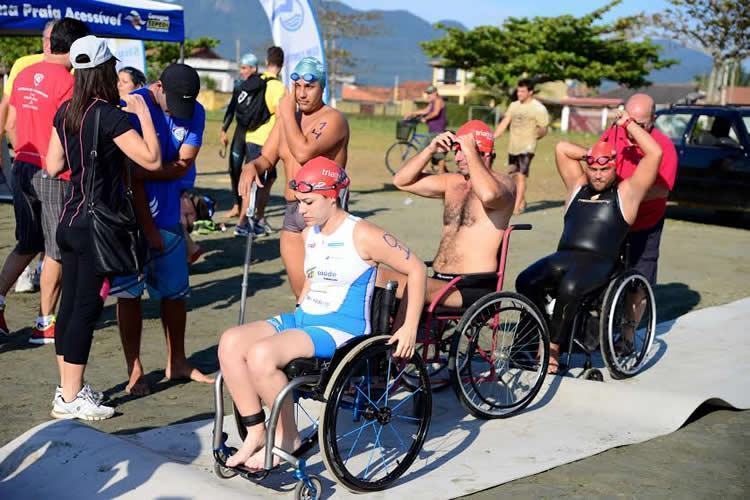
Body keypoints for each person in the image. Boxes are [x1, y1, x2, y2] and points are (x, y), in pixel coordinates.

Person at [219, 157, 427, 470]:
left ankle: (288, 437)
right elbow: (314, 278)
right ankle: (256, 432)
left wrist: (409, 327)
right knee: (231, 342)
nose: (300, 210)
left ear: (331, 197)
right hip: (307, 319)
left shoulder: (363, 234)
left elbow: (417, 268)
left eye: (308, 202)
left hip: (341, 330)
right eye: (299, 202)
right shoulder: (310, 230)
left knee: (262, 355)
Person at [45, 35, 161, 420]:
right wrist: (143, 114)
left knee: (70, 308)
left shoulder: (66, 113)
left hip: (70, 218)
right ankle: (72, 395)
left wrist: (85, 167)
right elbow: (152, 159)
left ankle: (67, 390)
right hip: (97, 225)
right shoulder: (110, 115)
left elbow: (51, 165)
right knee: (85, 308)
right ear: (106, 70)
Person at [515, 110, 663, 373]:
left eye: (604, 169)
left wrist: (627, 123)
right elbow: (561, 148)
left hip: (601, 262)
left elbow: (655, 154)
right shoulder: (577, 186)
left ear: (615, 166)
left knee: (570, 286)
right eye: (593, 168)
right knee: (525, 280)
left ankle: (552, 349)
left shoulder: (627, 192)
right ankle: (530, 339)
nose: (597, 174)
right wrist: (593, 152)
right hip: (565, 256)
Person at [110, 63, 212, 395]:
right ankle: (134, 368)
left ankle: (178, 361)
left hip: (169, 215)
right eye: (174, 104)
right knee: (129, 294)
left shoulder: (194, 110)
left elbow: (184, 161)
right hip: (129, 218)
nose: (182, 114)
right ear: (158, 87)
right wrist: (148, 226)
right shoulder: (133, 106)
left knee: (176, 293)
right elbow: (128, 174)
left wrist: (148, 172)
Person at [0, 18, 90, 342]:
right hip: (53, 173)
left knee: (28, 241)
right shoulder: (69, 82)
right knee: (55, 249)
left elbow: (9, 120)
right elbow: (72, 130)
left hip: (21, 165)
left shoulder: (23, 74)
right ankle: (44, 322)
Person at [239, 56, 350, 301]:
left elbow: (303, 151)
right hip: (293, 212)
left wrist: (286, 113)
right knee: (301, 294)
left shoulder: (333, 120)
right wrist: (251, 166)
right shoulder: (286, 121)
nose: (301, 93)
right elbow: (266, 158)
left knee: (323, 293)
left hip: (323, 214)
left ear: (322, 88)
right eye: (297, 86)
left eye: (309, 87)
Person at [380, 120, 516, 308]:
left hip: (472, 286)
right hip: (441, 280)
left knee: (387, 279)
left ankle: (404, 336)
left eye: (462, 151)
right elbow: (401, 181)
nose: (458, 157)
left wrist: (470, 150)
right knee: (377, 278)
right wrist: (429, 149)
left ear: (483, 153)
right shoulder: (453, 182)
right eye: (456, 151)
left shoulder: (504, 184)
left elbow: (488, 196)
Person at [555, 93, 678, 286]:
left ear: (654, 119)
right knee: (603, 273)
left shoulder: (663, 145)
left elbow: (662, 190)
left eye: (640, 124)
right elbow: (583, 153)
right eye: (629, 121)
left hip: (644, 223)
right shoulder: (614, 134)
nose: (632, 129)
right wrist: (594, 158)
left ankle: (634, 316)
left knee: (639, 279)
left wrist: (625, 195)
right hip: (612, 222)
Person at [233, 46, 285, 237]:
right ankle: (244, 223)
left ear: (266, 62)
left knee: (267, 179)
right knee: (256, 182)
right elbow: (281, 117)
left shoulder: (258, 81)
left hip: (251, 136)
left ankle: (258, 220)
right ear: (282, 64)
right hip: (266, 141)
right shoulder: (278, 87)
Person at [493, 79, 549, 215]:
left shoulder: (538, 108)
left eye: (522, 91)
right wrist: (492, 137)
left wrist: (538, 135)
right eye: (518, 90)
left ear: (530, 92)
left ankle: (516, 207)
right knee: (512, 176)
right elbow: (505, 122)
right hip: (513, 146)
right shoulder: (514, 105)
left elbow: (544, 128)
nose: (519, 93)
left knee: (521, 176)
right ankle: (522, 201)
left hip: (527, 147)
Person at [220, 52, 259, 219]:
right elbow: (231, 108)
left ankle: (249, 207)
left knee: (250, 172)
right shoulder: (238, 85)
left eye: (244, 68)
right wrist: (223, 129)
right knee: (234, 169)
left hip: (254, 134)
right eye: (241, 67)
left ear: (253, 68)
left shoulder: (260, 86)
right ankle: (237, 204)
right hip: (240, 132)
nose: (241, 71)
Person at [405, 85, 448, 173]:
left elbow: (435, 113)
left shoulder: (438, 101)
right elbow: (425, 110)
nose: (428, 95)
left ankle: (426, 170)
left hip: (437, 130)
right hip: (433, 130)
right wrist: (412, 113)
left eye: (430, 93)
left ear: (435, 93)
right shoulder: (432, 102)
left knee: (424, 150)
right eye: (428, 94)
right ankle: (442, 172)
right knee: (436, 153)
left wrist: (426, 118)